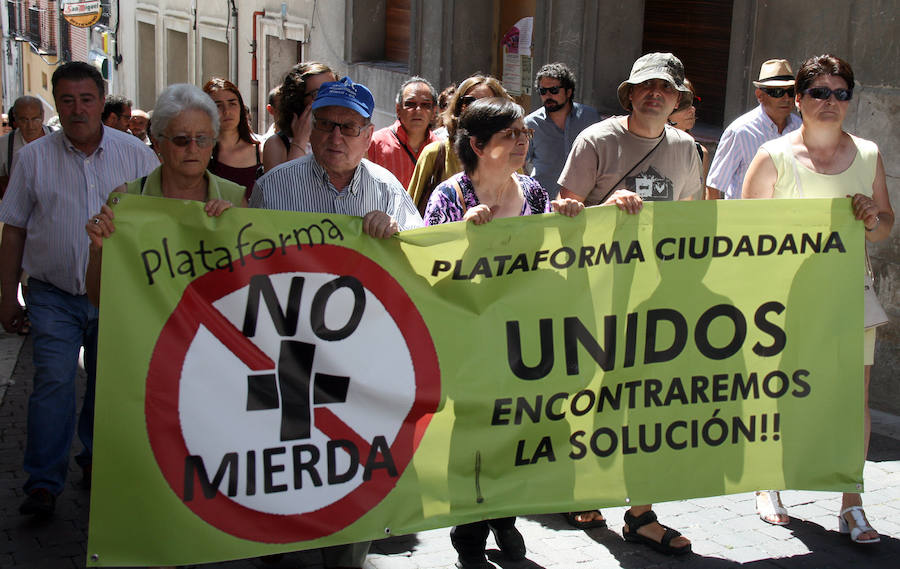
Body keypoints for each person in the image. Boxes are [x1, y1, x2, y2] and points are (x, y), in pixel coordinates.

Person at [251, 77, 420, 568]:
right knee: (288, 455)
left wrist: (396, 236)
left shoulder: (388, 190)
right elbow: (243, 268)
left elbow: (423, 260)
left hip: (360, 357)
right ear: (311, 127)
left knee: (352, 463)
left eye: (348, 127)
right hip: (290, 351)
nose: (335, 137)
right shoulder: (273, 188)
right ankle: (275, 543)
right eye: (325, 125)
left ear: (370, 134)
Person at [423, 96, 583, 569]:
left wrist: (571, 221)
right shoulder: (449, 198)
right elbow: (432, 277)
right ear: (476, 144)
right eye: (511, 135)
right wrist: (460, 239)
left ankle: (504, 518)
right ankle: (469, 535)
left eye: (524, 133)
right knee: (472, 440)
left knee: (516, 435)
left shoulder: (533, 193)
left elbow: (545, 262)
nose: (522, 142)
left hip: (520, 344)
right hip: (470, 344)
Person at [743, 54, 894, 545]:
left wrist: (873, 218)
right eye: (820, 93)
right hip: (783, 301)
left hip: (850, 295)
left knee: (853, 399)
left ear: (851, 100)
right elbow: (745, 235)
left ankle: (852, 501)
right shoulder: (774, 156)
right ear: (800, 98)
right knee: (779, 392)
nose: (831, 102)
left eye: (841, 93)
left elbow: (883, 228)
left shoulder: (869, 154)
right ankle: (768, 482)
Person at [557, 52, 702, 555]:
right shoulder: (596, 140)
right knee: (591, 398)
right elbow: (562, 217)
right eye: (646, 87)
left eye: (665, 88)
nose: (654, 95)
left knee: (649, 409)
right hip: (594, 295)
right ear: (631, 93)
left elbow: (691, 228)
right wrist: (604, 211)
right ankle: (583, 490)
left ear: (678, 98)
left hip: (656, 303)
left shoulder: (687, 150)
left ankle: (641, 514)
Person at [0, 62, 158, 518]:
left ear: (101, 100)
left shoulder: (136, 155)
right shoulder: (32, 158)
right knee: (53, 383)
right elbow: (12, 232)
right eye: (66, 100)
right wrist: (7, 297)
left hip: (116, 295)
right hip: (52, 295)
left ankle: (95, 460)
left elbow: (165, 218)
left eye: (86, 99)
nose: (77, 109)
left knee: (107, 385)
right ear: (57, 104)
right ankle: (43, 483)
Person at [85, 83, 244, 305]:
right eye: (181, 139)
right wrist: (98, 252)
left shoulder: (235, 198)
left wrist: (235, 232)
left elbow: (247, 291)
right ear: (158, 143)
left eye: (203, 139)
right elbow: (99, 298)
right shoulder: (127, 199)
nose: (193, 148)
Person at [407, 75, 512, 213]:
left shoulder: (510, 156)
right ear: (458, 107)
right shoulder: (434, 153)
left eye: (486, 102)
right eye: (469, 102)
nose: (477, 108)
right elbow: (408, 211)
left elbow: (525, 206)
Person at [706, 59, 802, 200]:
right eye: (777, 92)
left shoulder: (800, 127)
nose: (786, 98)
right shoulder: (740, 132)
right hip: (745, 218)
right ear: (760, 95)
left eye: (791, 92)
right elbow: (715, 186)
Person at [524, 62, 599, 199]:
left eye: (554, 90)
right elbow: (518, 161)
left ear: (568, 92)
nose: (548, 96)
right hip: (544, 202)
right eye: (543, 91)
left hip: (581, 201)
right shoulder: (531, 123)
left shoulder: (590, 117)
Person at [262, 61, 337, 172]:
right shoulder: (277, 144)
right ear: (298, 101)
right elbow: (283, 188)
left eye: (334, 90)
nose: (329, 99)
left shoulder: (347, 136)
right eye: (317, 94)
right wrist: (299, 142)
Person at [368, 76, 440, 188]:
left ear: (434, 112)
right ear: (398, 109)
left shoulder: (441, 148)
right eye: (410, 104)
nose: (418, 110)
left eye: (425, 105)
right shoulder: (374, 144)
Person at [203, 78, 263, 200]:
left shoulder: (262, 151)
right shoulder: (200, 152)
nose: (227, 111)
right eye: (218, 106)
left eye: (232, 103)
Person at [0, 96, 53, 197]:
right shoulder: (4, 145)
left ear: (42, 116)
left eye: (35, 119)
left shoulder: (59, 138)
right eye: (24, 120)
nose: (30, 126)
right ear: (15, 118)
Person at [667, 78, 711, 185]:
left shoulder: (700, 153)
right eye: (683, 104)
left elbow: (701, 200)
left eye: (693, 102)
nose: (692, 109)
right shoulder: (645, 147)